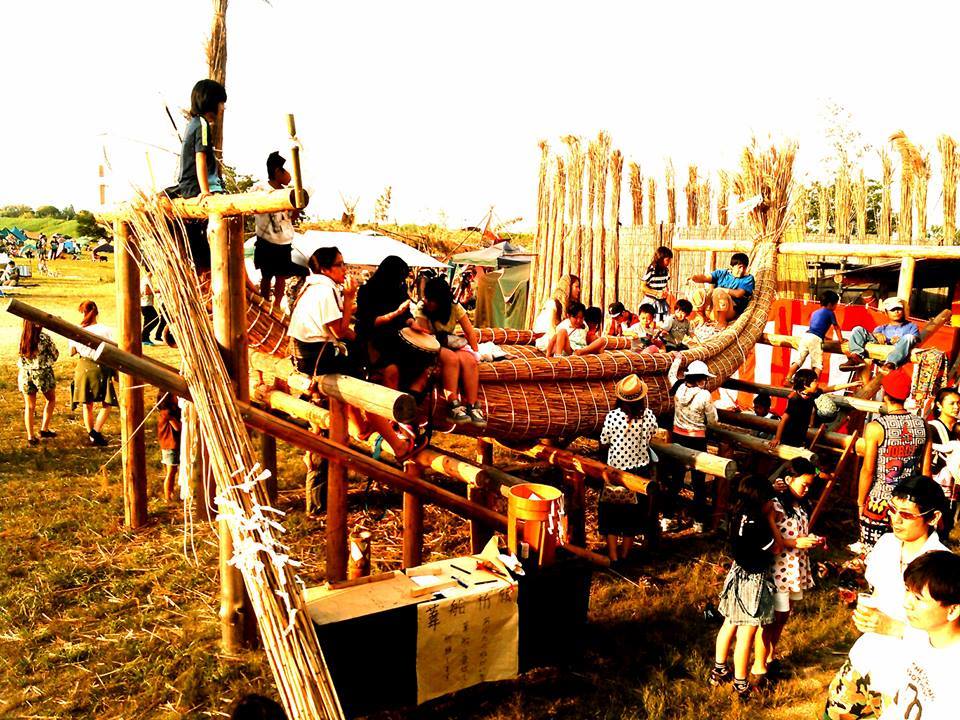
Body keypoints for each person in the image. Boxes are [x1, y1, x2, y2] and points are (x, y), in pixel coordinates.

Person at [824, 475, 949, 720]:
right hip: (866, 656)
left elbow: (947, 634)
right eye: (893, 510)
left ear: (933, 518)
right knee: (835, 714)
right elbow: (876, 588)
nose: (895, 519)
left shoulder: (943, 567)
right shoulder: (886, 543)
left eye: (907, 514)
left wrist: (894, 628)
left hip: (907, 673)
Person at [754, 458, 824, 684]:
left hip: (795, 571)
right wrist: (796, 543)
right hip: (778, 572)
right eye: (804, 484)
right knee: (770, 620)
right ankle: (759, 668)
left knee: (783, 617)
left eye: (810, 485)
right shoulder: (775, 505)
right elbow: (768, 539)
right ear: (788, 479)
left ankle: (770, 658)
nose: (807, 489)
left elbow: (797, 533)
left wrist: (811, 540)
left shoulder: (800, 506)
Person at [710, 474, 781, 699]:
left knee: (729, 622)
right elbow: (777, 547)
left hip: (737, 572)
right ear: (761, 501)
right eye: (769, 500)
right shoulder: (759, 524)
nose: (772, 503)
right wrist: (771, 520)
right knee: (746, 632)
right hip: (753, 580)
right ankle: (740, 682)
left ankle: (719, 670)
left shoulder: (738, 514)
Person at [877, 551, 960, 720]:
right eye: (907, 590)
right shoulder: (919, 637)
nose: (906, 603)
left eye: (918, 598)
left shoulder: (954, 674)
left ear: (952, 610)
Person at [858, 370, 932, 551]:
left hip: (880, 501)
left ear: (884, 394)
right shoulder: (923, 425)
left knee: (873, 553)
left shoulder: (876, 427)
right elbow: (926, 471)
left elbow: (868, 470)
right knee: (905, 552)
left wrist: (860, 501)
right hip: (910, 502)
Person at [165, 79, 228, 272]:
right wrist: (205, 191)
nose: (223, 108)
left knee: (199, 248)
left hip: (187, 185)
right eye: (221, 103)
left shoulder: (192, 124)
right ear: (211, 102)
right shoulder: (202, 124)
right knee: (226, 224)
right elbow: (200, 157)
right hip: (196, 186)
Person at [598, 375, 659, 563]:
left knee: (612, 515)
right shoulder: (648, 416)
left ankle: (613, 556)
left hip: (616, 472)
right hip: (640, 471)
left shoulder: (613, 416)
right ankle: (625, 555)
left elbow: (604, 441)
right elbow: (653, 433)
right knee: (633, 516)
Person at [414, 277, 486, 427]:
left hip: (449, 342)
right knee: (451, 359)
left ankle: (472, 405)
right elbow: (424, 334)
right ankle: (453, 404)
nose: (427, 301)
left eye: (431, 299)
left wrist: (476, 352)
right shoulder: (422, 307)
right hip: (429, 344)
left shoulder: (454, 307)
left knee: (470, 361)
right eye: (427, 298)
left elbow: (469, 331)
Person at [664, 357, 718, 533]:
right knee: (698, 482)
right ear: (701, 379)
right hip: (697, 440)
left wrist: (678, 358)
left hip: (678, 437)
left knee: (676, 479)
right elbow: (713, 420)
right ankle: (699, 521)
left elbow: (671, 374)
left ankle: (667, 518)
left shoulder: (678, 387)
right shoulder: (704, 395)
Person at [254, 152, 306, 311]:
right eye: (287, 171)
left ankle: (276, 306)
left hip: (283, 242)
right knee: (266, 276)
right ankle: (264, 304)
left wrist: (298, 206)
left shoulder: (288, 193)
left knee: (281, 276)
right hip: (266, 241)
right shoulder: (260, 189)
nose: (290, 176)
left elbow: (291, 218)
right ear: (278, 171)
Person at [769, 369, 860, 450]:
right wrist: (777, 438)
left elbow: (832, 388)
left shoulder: (812, 393)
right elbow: (783, 420)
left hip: (801, 434)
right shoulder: (795, 399)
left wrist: (851, 384)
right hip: (789, 434)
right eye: (815, 381)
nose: (817, 383)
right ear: (805, 385)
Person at [69, 301, 117, 446]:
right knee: (107, 403)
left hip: (83, 367)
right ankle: (95, 432)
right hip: (100, 367)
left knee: (87, 404)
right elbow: (113, 350)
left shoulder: (76, 330)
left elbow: (72, 352)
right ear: (96, 312)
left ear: (82, 313)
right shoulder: (106, 330)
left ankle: (92, 434)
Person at [841, 297, 920, 372]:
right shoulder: (881, 328)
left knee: (909, 337)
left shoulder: (912, 326)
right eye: (892, 310)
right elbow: (873, 338)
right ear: (886, 312)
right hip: (880, 353)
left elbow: (916, 341)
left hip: (898, 356)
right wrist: (876, 335)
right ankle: (856, 358)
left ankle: (891, 363)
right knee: (857, 329)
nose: (896, 312)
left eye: (899, 309)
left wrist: (900, 340)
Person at [785, 290, 845, 384]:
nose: (836, 306)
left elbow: (816, 328)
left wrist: (825, 338)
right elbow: (836, 327)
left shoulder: (815, 312)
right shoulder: (830, 312)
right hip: (815, 338)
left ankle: (787, 378)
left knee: (799, 359)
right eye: (836, 304)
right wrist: (841, 340)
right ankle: (813, 383)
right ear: (830, 304)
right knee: (817, 364)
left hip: (806, 336)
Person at [687, 253, 755, 329]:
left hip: (729, 312)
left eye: (744, 268)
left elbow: (738, 293)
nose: (742, 270)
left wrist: (720, 289)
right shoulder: (722, 273)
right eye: (739, 267)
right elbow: (706, 277)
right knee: (699, 293)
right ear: (732, 266)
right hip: (712, 310)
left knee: (719, 293)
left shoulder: (748, 279)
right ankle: (701, 318)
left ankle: (721, 322)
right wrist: (695, 278)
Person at [17, 320, 58, 445]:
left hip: (25, 373)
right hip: (42, 373)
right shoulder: (44, 338)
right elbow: (55, 355)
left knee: (29, 406)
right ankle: (44, 429)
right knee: (51, 400)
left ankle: (31, 437)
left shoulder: (23, 337)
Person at [927, 387, 959, 536]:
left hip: (955, 488)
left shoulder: (957, 429)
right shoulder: (933, 428)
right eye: (952, 403)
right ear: (939, 405)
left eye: (958, 403)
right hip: (937, 485)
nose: (956, 407)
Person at [533, 274, 581, 352]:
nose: (579, 290)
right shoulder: (552, 304)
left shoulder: (568, 306)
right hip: (547, 341)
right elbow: (549, 329)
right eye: (576, 287)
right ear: (568, 287)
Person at [157, 392, 182, 501]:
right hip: (170, 445)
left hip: (171, 444)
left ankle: (170, 494)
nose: (177, 397)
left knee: (173, 471)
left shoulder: (171, 411)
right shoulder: (167, 413)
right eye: (175, 396)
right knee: (171, 472)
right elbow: (177, 427)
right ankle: (168, 497)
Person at [640, 245, 673, 322]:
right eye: (667, 260)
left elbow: (664, 284)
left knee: (662, 324)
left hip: (662, 303)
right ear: (660, 259)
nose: (669, 262)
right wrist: (656, 293)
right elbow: (643, 287)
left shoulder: (666, 271)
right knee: (651, 323)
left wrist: (665, 290)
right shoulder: (652, 270)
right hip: (651, 302)